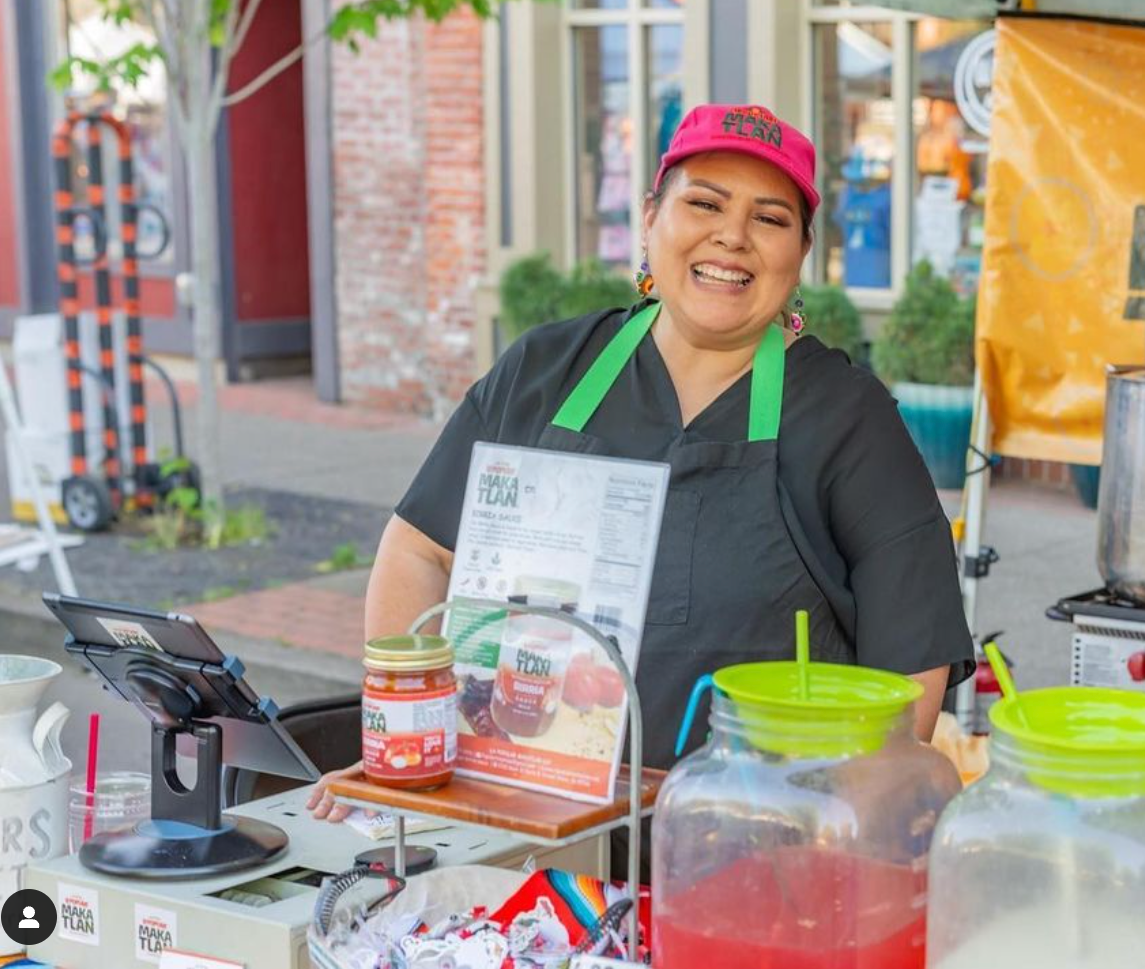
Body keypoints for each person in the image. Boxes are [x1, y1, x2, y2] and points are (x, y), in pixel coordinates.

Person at [307, 103, 975, 825]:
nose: (733, 236)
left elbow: (907, 671)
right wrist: (407, 740)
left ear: (802, 252)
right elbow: (418, 550)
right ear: (652, 218)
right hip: (510, 823)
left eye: (770, 219)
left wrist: (841, 835)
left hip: (747, 849)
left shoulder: (850, 419)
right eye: (705, 203)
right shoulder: (543, 371)